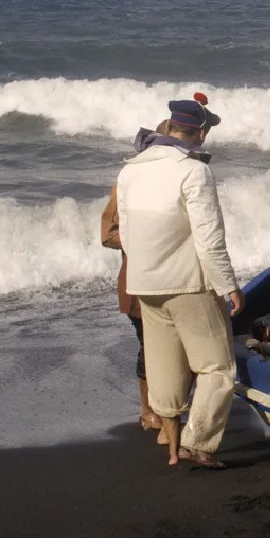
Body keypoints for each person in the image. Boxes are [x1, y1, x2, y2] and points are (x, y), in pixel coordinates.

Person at [117, 94, 244, 469]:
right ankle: (199, 443)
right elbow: (209, 238)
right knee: (217, 368)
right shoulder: (194, 171)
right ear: (201, 134)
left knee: (164, 366)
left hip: (144, 283)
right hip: (189, 284)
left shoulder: (131, 169)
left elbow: (126, 234)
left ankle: (172, 448)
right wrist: (228, 284)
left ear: (170, 126)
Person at [100, 121, 171, 436]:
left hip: (177, 278)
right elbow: (107, 235)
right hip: (139, 281)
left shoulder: (185, 177)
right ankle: (149, 410)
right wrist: (140, 237)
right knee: (150, 346)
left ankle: (171, 406)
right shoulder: (127, 182)